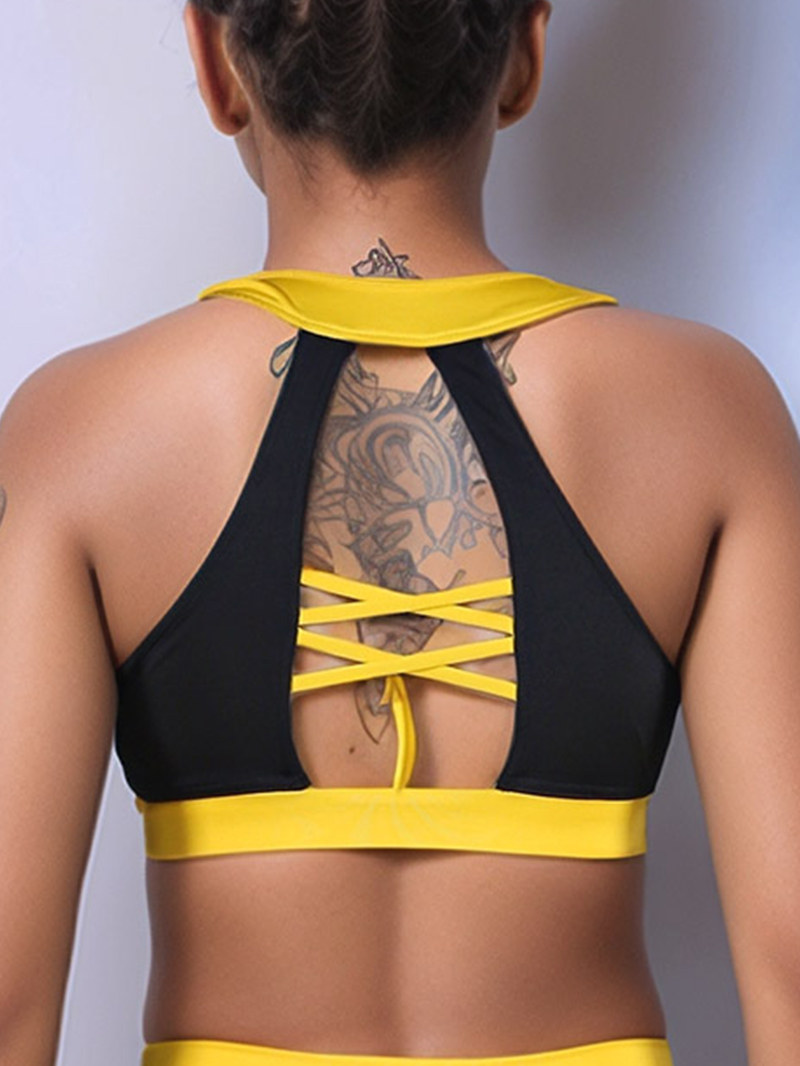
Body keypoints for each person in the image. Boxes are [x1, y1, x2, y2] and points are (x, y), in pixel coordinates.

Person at [1, 1, 800, 1065]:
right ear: (523, 54)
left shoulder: (79, 432)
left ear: (216, 63)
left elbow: (6, 990)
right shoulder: (710, 412)